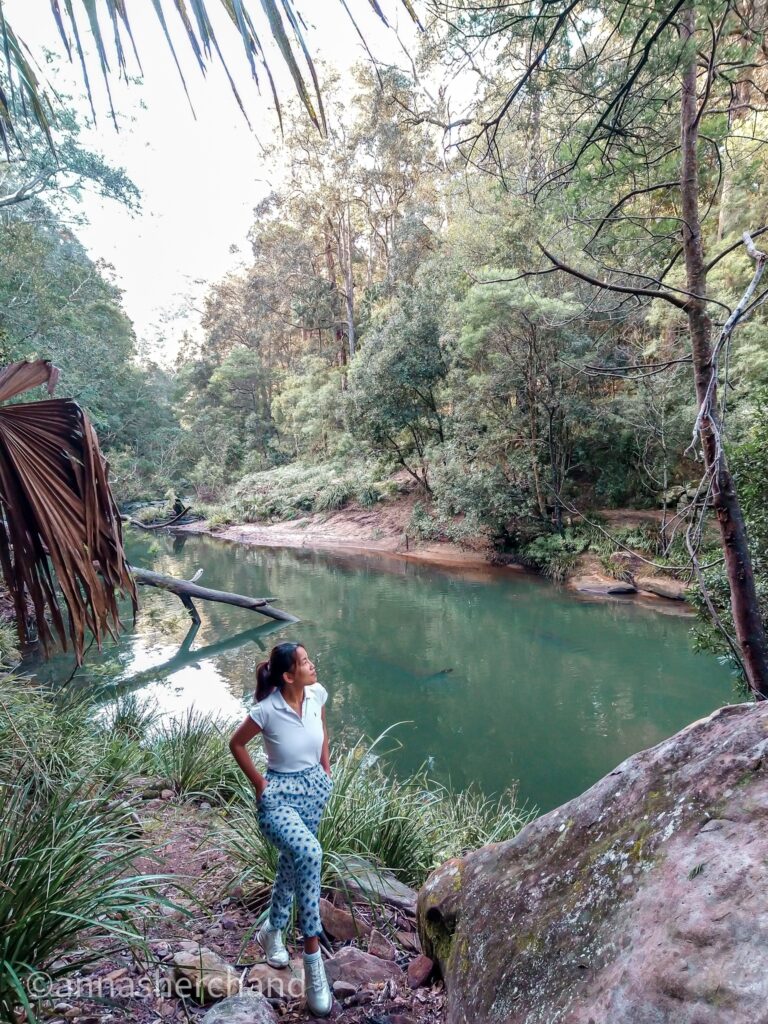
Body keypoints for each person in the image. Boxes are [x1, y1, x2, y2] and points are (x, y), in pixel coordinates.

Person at [229, 642, 334, 1018]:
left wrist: (326, 769)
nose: (311, 664)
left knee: (292, 865)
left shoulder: (316, 694)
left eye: (309, 658)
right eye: (304, 662)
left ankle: (272, 931)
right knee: (309, 853)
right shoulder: (266, 710)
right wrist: (260, 784)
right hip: (279, 798)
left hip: (314, 791)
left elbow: (321, 724)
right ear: (288, 675)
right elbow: (236, 744)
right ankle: (312, 959)